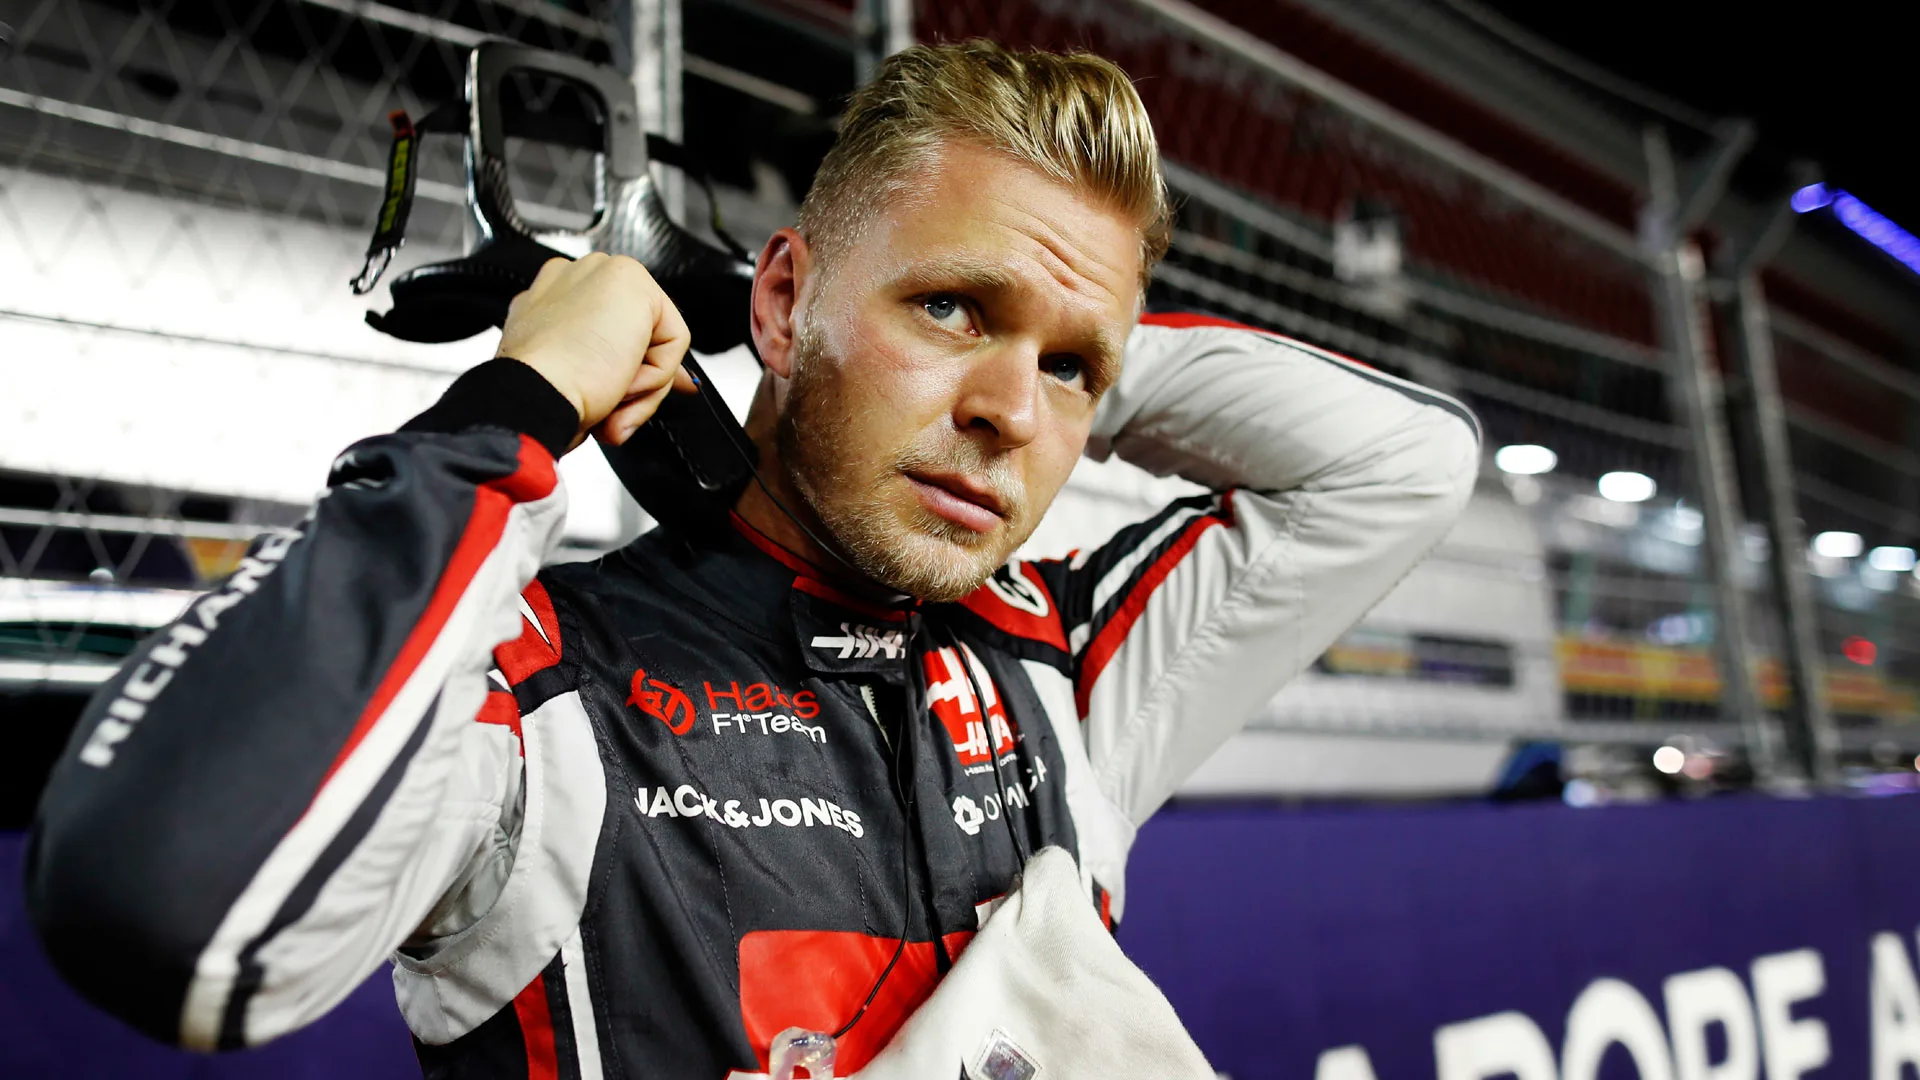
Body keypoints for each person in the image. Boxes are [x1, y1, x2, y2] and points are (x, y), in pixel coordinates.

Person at [26, 39, 1478, 1079]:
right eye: (954, 311)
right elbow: (178, 923)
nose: (1005, 417)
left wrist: (1028, 340)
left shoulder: (1065, 666)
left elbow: (1408, 463)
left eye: (1070, 371)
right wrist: (520, 409)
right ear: (788, 302)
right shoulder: (540, 688)